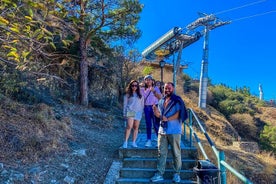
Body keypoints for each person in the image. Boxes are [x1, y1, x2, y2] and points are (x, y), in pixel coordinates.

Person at [150, 82, 188, 183]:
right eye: (165, 88)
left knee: (176, 153)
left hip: (174, 131)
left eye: (169, 88)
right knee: (161, 153)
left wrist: (167, 118)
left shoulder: (177, 100)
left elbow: (179, 114)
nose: (167, 90)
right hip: (162, 131)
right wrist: (155, 112)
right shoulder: (161, 101)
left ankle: (177, 174)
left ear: (173, 89)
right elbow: (159, 115)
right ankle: (159, 173)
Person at [140, 75, 162, 147]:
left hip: (155, 107)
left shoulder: (156, 88)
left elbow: (160, 97)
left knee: (156, 124)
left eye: (149, 79)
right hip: (146, 108)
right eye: (146, 79)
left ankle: (159, 140)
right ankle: (148, 140)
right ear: (145, 81)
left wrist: (154, 91)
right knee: (148, 124)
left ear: (152, 81)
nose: (148, 81)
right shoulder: (142, 89)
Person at [122, 80, 144, 148]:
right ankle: (125, 142)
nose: (134, 87)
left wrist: (142, 112)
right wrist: (124, 113)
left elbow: (142, 105)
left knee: (136, 127)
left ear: (138, 86)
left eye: (136, 85)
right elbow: (125, 105)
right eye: (133, 85)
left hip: (138, 112)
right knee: (129, 126)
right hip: (130, 111)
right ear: (130, 86)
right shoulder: (127, 94)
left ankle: (134, 142)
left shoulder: (140, 95)